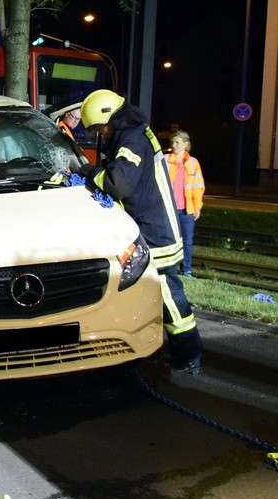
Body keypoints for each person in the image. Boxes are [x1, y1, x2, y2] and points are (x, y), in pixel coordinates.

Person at [78, 89, 203, 375]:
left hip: (155, 231)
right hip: (152, 225)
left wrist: (90, 173)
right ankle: (173, 349)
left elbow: (118, 183)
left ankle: (188, 354)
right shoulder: (133, 133)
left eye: (99, 128)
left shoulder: (131, 140)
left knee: (170, 295)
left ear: (108, 119)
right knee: (158, 290)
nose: (102, 134)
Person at [164, 131, 204, 277]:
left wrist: (197, 206)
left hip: (187, 210)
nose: (173, 145)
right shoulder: (165, 159)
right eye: (172, 142)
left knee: (187, 241)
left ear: (186, 144)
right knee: (170, 241)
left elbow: (198, 187)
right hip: (169, 209)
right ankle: (170, 269)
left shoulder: (193, 162)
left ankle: (186, 269)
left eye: (177, 143)